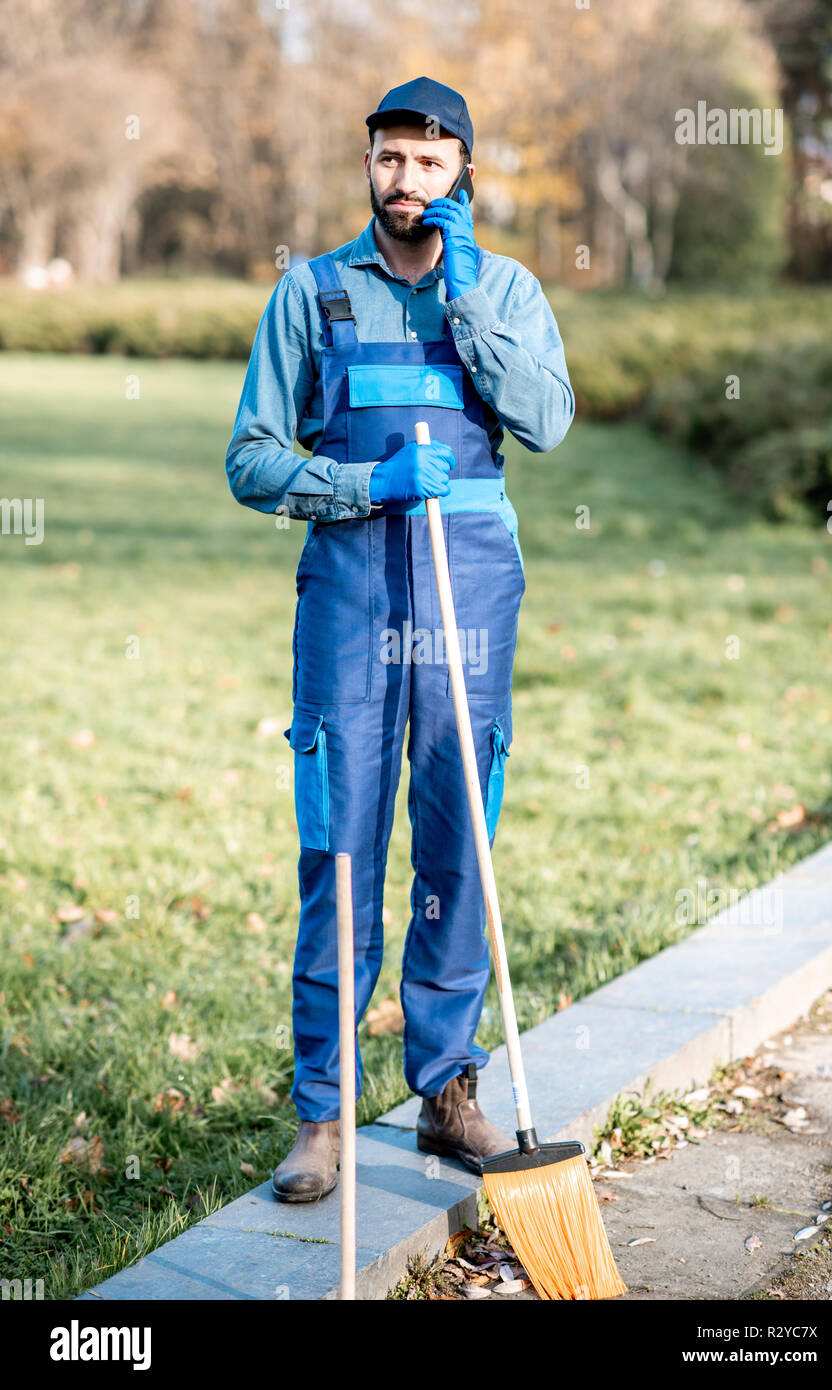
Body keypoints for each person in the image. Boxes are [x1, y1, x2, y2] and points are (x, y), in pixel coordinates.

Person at [225, 76, 575, 1202]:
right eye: (390, 158)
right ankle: (324, 1115)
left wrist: (466, 301)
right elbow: (251, 458)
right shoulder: (313, 293)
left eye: (430, 160)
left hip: (469, 593)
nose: (406, 178)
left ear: (463, 169)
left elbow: (547, 420)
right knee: (339, 849)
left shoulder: (509, 289)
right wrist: (364, 481)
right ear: (368, 163)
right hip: (350, 595)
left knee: (457, 838)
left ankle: (447, 1089)